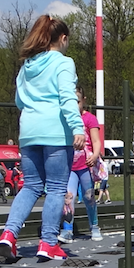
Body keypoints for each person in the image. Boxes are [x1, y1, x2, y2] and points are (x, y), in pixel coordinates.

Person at [0, 15, 85, 261]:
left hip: (29, 131)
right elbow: (68, 98)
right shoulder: (64, 63)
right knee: (56, 188)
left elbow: (19, 101)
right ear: (63, 39)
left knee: (31, 186)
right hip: (56, 132)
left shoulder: (27, 65)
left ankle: (9, 234)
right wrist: (77, 127)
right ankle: (48, 243)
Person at [59, 87, 103, 243]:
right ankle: (67, 230)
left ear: (83, 100)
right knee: (68, 197)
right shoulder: (65, 118)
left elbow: (96, 141)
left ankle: (95, 226)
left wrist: (96, 155)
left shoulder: (89, 119)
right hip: (70, 166)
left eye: (77, 101)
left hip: (85, 165)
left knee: (89, 196)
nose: (74, 105)